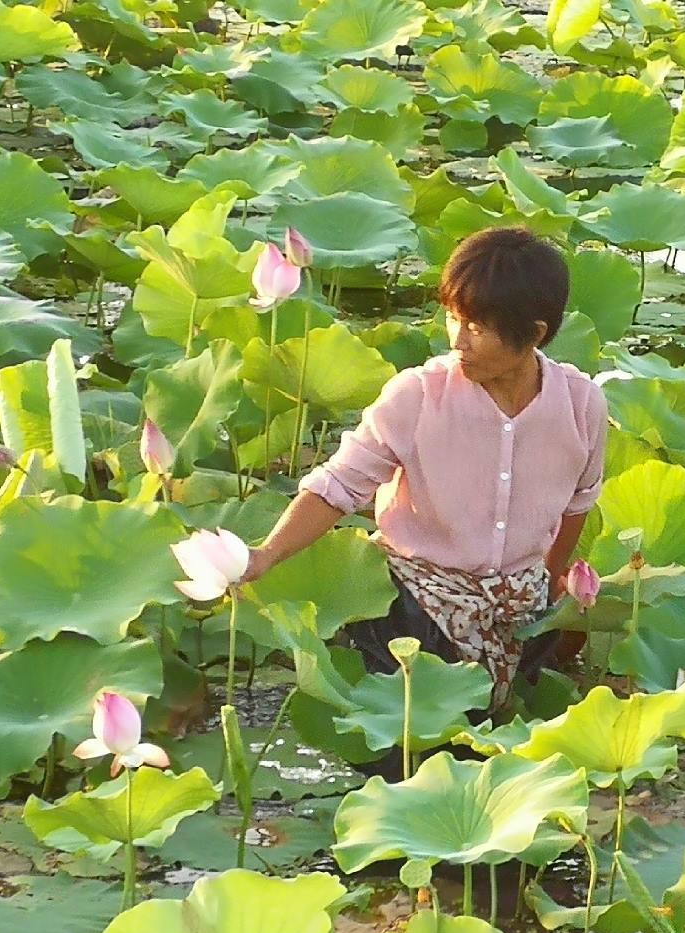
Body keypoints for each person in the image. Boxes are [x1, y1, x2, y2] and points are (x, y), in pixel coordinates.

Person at [242, 225, 608, 713]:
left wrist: (550, 582)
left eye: (476, 328)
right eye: (453, 319)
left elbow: (579, 503)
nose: (457, 340)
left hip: (519, 601)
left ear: (535, 334)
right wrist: (266, 555)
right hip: (413, 604)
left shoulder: (582, 405)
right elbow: (336, 486)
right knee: (407, 742)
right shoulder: (416, 395)